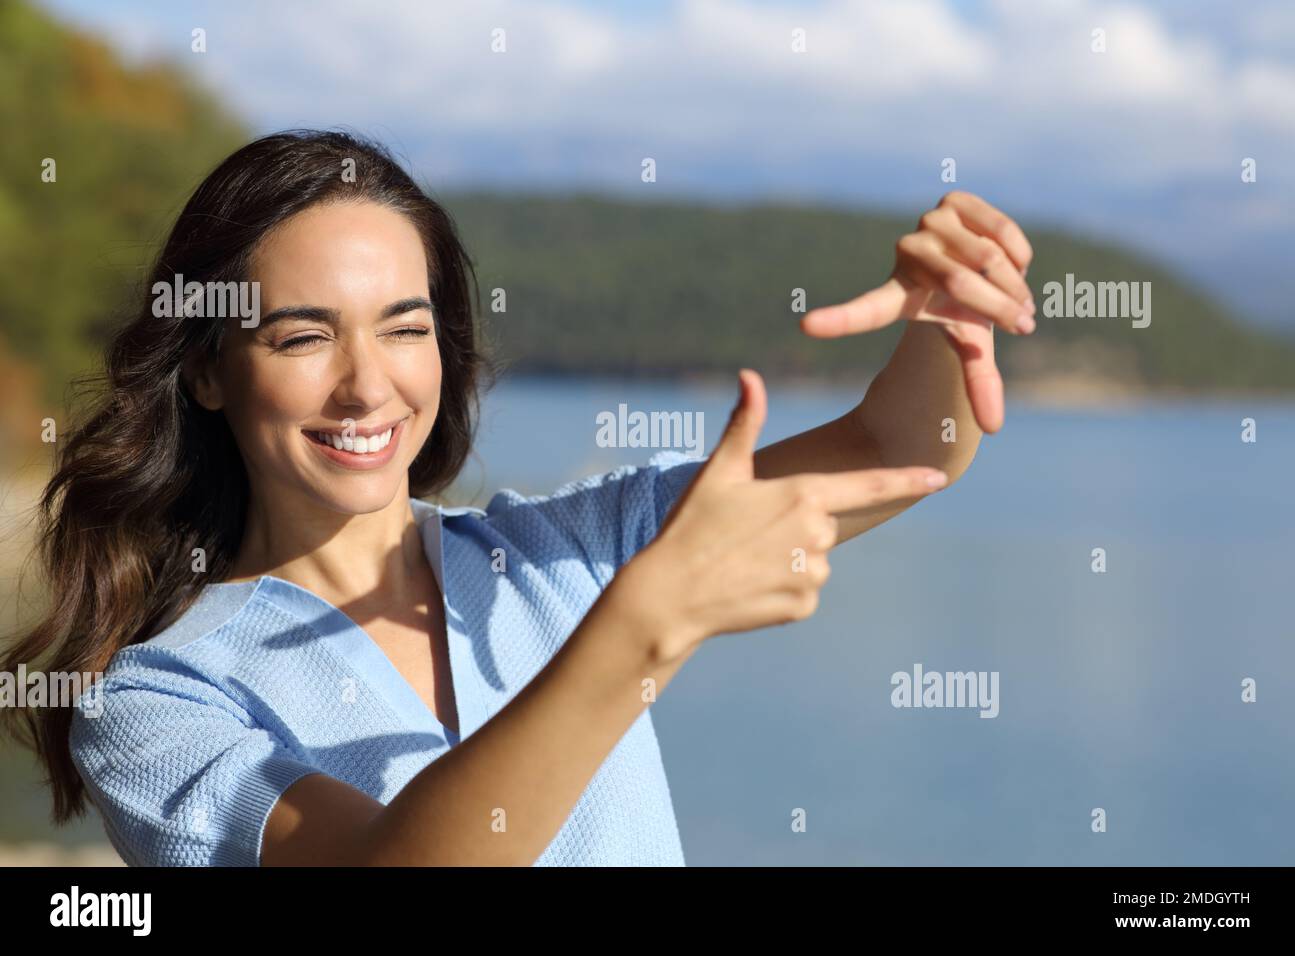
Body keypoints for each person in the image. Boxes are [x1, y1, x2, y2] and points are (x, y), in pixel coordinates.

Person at [0, 129, 1035, 866]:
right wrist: (636, 632)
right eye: (304, 335)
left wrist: (946, 321)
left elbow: (904, 448)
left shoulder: (570, 550)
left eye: (404, 328)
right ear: (209, 371)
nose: (368, 384)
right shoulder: (153, 699)